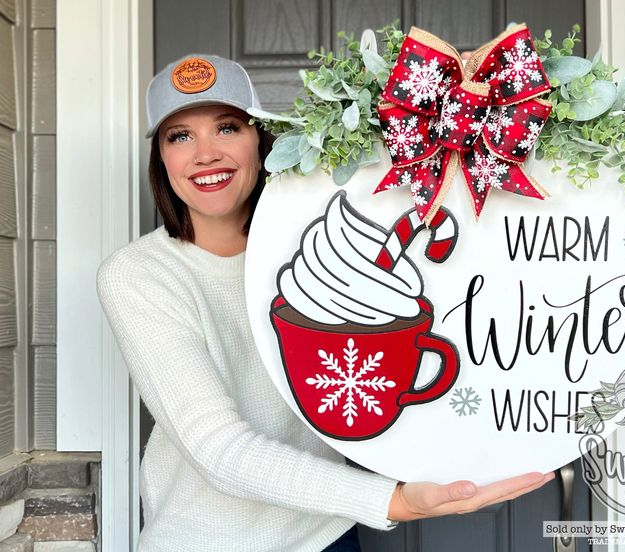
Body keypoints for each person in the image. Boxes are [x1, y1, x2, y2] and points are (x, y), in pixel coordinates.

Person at [96, 53, 555, 552]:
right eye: (179, 135)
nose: (205, 153)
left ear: (260, 140)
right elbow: (218, 449)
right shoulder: (140, 275)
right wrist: (394, 501)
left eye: (227, 127)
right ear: (162, 159)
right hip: (205, 540)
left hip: (325, 535)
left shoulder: (322, 256)